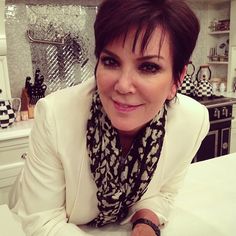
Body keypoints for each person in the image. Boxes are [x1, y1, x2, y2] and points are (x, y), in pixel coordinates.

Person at [9, 0, 209, 235]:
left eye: (148, 67)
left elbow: (164, 192)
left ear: (177, 79)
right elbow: (43, 221)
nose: (123, 86)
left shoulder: (192, 122)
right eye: (111, 61)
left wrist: (146, 220)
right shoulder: (55, 115)